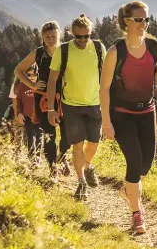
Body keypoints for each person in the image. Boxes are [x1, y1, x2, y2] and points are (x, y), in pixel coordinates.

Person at [100, 0, 157, 234]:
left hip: (147, 111)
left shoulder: (154, 46)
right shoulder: (115, 52)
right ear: (126, 22)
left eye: (147, 19)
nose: (144, 24)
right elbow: (104, 89)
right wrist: (106, 122)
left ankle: (128, 191)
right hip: (122, 114)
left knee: (145, 165)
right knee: (134, 161)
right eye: (139, 19)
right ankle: (136, 214)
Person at [48, 14, 105, 200]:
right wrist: (51, 109)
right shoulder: (63, 51)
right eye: (78, 36)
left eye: (86, 36)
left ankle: (87, 166)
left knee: (94, 143)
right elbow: (52, 81)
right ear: (71, 34)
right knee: (78, 145)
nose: (82, 40)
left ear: (91, 33)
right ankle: (81, 182)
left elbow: (106, 78)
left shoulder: (97, 47)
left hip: (95, 103)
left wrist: (109, 103)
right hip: (71, 105)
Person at [15, 21, 70, 179]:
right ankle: (53, 169)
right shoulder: (38, 53)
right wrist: (32, 84)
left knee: (68, 135)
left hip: (66, 97)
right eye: (47, 37)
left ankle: (62, 157)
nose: (50, 39)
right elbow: (18, 70)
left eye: (53, 36)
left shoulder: (66, 50)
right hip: (43, 99)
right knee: (49, 135)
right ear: (42, 37)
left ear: (60, 35)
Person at [15, 64, 42, 162]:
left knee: (40, 138)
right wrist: (19, 113)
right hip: (28, 117)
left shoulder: (42, 84)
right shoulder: (22, 85)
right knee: (31, 138)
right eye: (28, 75)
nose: (31, 77)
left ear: (38, 74)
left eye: (34, 74)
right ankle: (32, 161)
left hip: (40, 117)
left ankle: (38, 159)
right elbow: (19, 100)